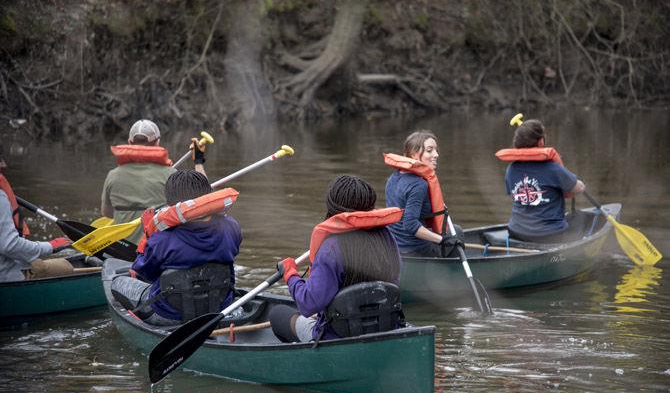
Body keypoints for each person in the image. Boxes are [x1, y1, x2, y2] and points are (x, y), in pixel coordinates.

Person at [269, 175, 404, 343]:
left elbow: (308, 304)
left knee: (277, 314)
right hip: (386, 327)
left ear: (332, 208)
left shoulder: (331, 248)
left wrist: (290, 274)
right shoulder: (387, 237)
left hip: (337, 338)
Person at [110, 170, 242, 326]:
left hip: (168, 315)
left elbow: (144, 272)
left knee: (116, 283)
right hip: (222, 309)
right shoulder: (231, 227)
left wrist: (148, 235)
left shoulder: (162, 239)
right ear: (208, 196)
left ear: (170, 204)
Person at [101, 119, 208, 244]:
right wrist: (198, 162)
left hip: (122, 248)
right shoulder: (170, 175)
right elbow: (203, 198)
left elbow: (107, 214)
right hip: (157, 249)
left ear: (130, 142)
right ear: (158, 142)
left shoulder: (113, 175)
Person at [496, 119, 586, 243]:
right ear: (541, 142)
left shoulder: (511, 169)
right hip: (550, 235)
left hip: (516, 232)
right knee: (579, 221)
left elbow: (514, 194)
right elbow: (578, 188)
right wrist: (580, 183)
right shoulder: (553, 168)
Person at [384, 130, 464, 258]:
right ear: (413, 155)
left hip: (395, 247)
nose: (436, 154)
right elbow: (410, 225)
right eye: (429, 150)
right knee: (457, 232)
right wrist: (442, 240)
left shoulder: (393, 178)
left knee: (450, 231)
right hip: (415, 250)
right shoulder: (419, 185)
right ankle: (450, 273)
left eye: (436, 150)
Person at [0, 151, 71, 282]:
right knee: (66, 268)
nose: (3, 166)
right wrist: (49, 246)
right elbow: (9, 245)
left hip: (12, 267)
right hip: (7, 279)